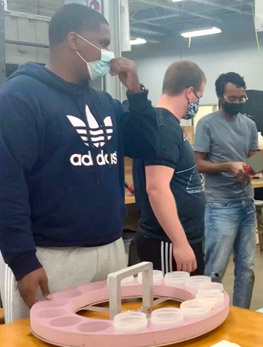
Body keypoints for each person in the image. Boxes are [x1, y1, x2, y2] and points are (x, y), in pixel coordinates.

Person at [0, 4, 158, 322]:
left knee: (107, 337)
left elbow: (146, 145)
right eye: (101, 43)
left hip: (110, 249)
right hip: (52, 256)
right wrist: (22, 261)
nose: (108, 53)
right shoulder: (20, 97)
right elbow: (7, 183)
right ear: (73, 40)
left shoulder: (104, 102)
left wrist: (136, 93)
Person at [133, 60, 207, 275]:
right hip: (167, 242)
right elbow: (156, 188)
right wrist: (180, 243)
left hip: (180, 239)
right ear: (189, 92)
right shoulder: (163, 126)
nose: (197, 102)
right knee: (171, 304)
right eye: (199, 97)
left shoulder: (169, 124)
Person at [194, 72, 258, 309]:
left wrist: (252, 170)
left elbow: (256, 160)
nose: (238, 103)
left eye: (242, 98)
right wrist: (228, 166)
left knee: (247, 268)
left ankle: (243, 315)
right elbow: (198, 164)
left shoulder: (249, 125)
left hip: (246, 203)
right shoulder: (206, 124)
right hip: (220, 205)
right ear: (221, 96)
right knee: (215, 269)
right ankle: (209, 315)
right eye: (233, 98)